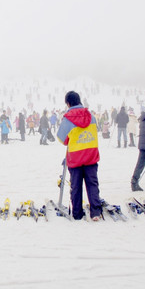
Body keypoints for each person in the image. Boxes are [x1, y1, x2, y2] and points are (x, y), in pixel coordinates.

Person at [56, 91, 102, 221]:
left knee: (76, 185)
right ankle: (95, 212)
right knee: (92, 184)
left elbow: (61, 138)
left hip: (75, 156)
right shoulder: (91, 116)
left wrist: (69, 140)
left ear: (68, 103)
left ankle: (77, 213)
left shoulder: (68, 118)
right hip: (91, 154)